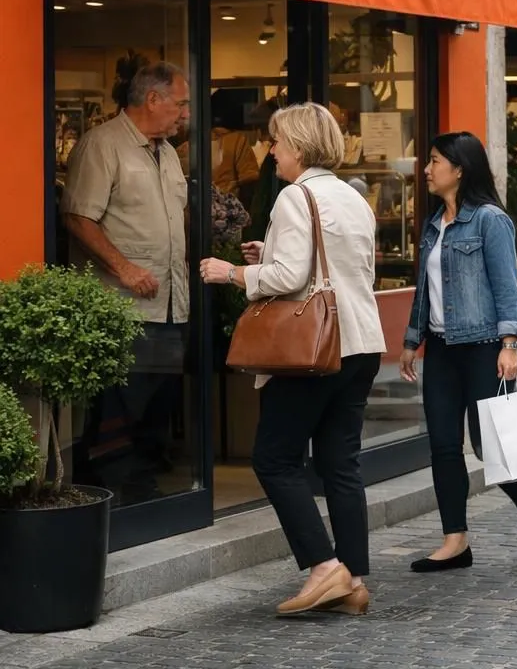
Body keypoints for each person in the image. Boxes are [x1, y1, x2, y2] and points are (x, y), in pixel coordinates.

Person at [198, 102, 386, 616]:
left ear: (298, 146)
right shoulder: (353, 197)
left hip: (314, 348)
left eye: (277, 141)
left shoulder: (293, 196)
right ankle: (354, 579)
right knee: (340, 464)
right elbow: (343, 266)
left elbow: (288, 278)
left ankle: (324, 568)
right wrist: (271, 255)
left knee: (274, 458)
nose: (271, 150)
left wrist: (230, 272)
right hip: (360, 341)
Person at [399, 132, 517, 572]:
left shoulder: (490, 220)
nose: (426, 169)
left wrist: (510, 344)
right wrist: (413, 340)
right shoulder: (434, 224)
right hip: (443, 350)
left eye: (433, 161)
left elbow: (508, 286)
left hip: (484, 347)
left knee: (492, 445)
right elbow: (425, 291)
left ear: (459, 168)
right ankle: (455, 541)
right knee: (444, 446)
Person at [62, 61, 192, 506]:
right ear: (152, 100)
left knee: (157, 406)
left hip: (171, 305)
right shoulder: (102, 146)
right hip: (124, 307)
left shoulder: (168, 152)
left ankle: (144, 491)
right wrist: (125, 269)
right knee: (120, 408)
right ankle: (111, 495)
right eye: (181, 102)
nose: (185, 113)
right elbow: (79, 218)